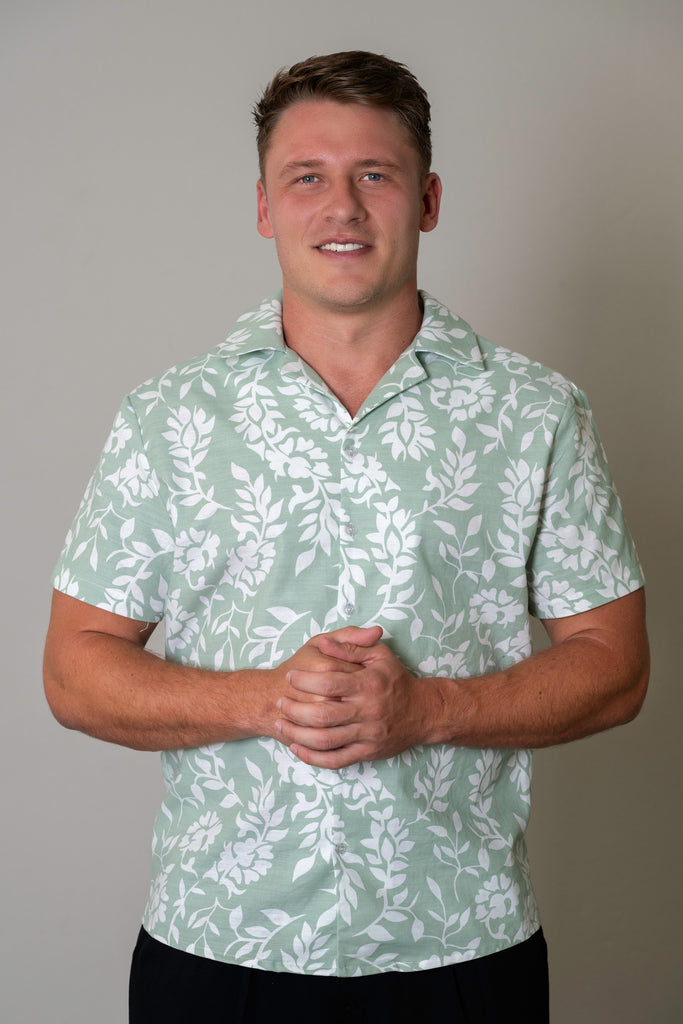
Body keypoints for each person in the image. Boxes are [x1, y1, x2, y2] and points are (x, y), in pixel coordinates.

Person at [44, 51, 649, 1023]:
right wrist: (264, 698)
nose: (342, 207)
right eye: (306, 178)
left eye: (374, 174)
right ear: (262, 206)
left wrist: (429, 709)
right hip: (216, 947)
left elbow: (614, 667)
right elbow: (73, 670)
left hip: (462, 949)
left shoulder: (534, 413)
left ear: (427, 198)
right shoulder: (169, 415)